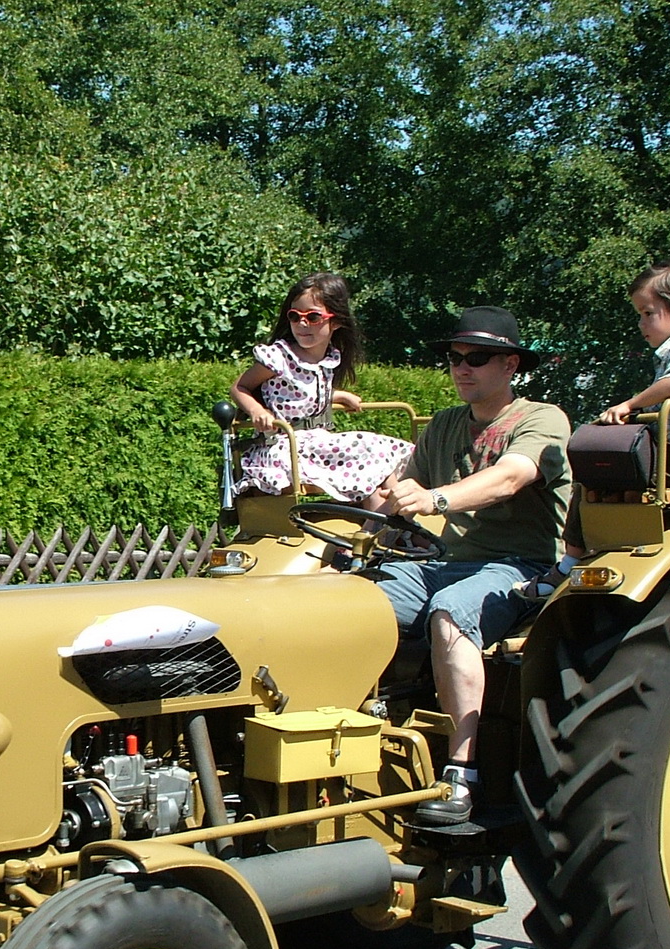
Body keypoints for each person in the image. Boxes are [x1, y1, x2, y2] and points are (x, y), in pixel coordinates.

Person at [377, 306, 572, 825]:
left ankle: (460, 773)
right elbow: (396, 493)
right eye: (454, 357)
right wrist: (355, 528)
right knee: (354, 602)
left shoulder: (540, 419)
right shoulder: (443, 425)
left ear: (510, 365)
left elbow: (510, 477)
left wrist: (437, 500)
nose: (462, 367)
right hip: (446, 562)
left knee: (450, 611)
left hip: (520, 565)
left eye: (477, 358)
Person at [522, 258, 670, 599]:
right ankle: (598, 551)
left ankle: (569, 563)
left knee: (594, 472)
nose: (641, 323)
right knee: (604, 465)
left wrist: (629, 406)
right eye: (640, 314)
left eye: (648, 313)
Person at [231, 273, 413, 512]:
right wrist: (257, 410)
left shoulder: (328, 360)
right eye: (295, 317)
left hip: (315, 442)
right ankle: (380, 529)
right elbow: (239, 387)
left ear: (335, 322)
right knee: (368, 447)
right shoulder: (279, 357)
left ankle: (388, 522)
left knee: (392, 453)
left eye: (313, 317)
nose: (302, 324)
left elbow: (301, 393)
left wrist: (338, 396)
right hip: (286, 446)